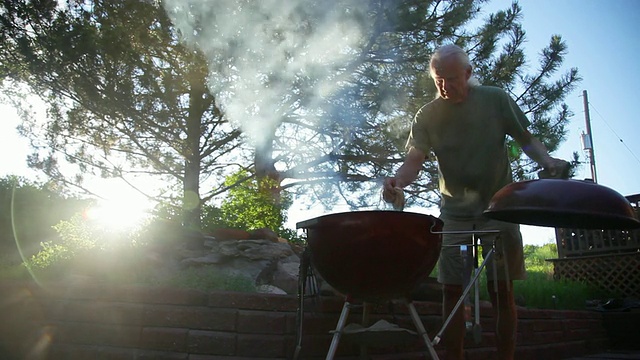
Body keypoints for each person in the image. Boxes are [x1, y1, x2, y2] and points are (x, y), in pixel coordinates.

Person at [382, 44, 568, 360]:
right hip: (454, 214)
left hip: (499, 210)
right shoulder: (427, 115)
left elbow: (526, 140)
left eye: (452, 78)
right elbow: (414, 160)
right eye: (439, 79)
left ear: (468, 74)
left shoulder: (495, 100)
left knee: (501, 291)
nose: (446, 86)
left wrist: (548, 161)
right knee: (453, 293)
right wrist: (397, 181)